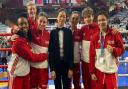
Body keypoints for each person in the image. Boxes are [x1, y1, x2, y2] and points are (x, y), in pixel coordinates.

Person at [8, 17, 48, 89]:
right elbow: (31, 56)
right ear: (18, 26)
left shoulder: (25, 37)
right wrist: (45, 56)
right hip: (17, 75)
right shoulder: (18, 41)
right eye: (21, 24)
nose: (23, 26)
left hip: (25, 73)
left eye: (25, 23)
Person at [89, 11, 124, 89]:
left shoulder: (115, 34)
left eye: (103, 20)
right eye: (99, 20)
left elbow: (122, 50)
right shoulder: (95, 37)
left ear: (107, 20)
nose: (101, 22)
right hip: (98, 72)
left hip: (111, 73)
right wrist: (92, 72)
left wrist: (114, 50)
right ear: (97, 22)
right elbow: (92, 55)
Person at [26, 2, 50, 89]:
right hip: (32, 68)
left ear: (46, 23)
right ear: (37, 21)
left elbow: (51, 52)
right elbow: (20, 32)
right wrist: (13, 34)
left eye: (44, 22)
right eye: (40, 21)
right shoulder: (31, 31)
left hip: (44, 69)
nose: (42, 24)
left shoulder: (48, 35)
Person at [48, 9, 74, 89]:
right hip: (56, 65)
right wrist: (52, 69)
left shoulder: (69, 32)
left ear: (66, 18)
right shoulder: (52, 33)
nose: (62, 18)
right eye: (60, 16)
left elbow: (71, 51)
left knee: (67, 86)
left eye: (64, 16)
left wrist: (71, 68)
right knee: (57, 86)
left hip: (66, 65)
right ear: (57, 18)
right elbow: (51, 52)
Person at [80, 7, 99, 89]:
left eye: (89, 16)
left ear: (93, 16)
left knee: (95, 84)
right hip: (84, 62)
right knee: (86, 83)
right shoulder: (82, 29)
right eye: (85, 17)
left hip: (95, 63)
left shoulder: (99, 28)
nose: (87, 19)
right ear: (83, 19)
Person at [70, 11, 81, 89]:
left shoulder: (80, 32)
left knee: (77, 84)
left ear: (78, 20)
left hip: (76, 62)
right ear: (70, 19)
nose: (74, 20)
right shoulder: (66, 31)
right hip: (67, 63)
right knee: (67, 84)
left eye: (76, 19)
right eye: (73, 18)